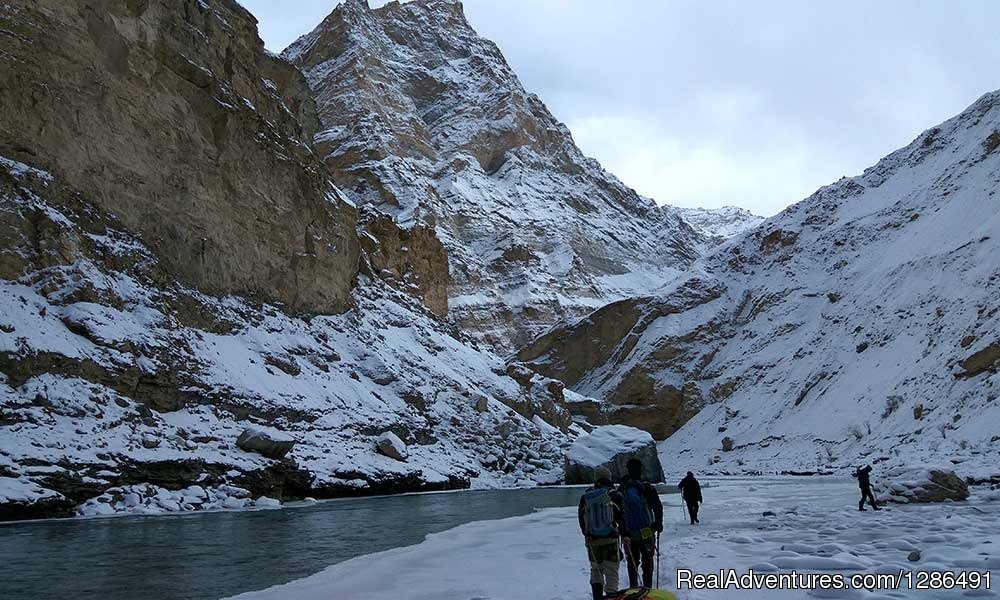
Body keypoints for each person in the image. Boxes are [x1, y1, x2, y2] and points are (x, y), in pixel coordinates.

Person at [618, 458, 664, 589]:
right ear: (640, 470)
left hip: (629, 533)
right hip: (647, 531)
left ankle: (633, 587)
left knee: (632, 561)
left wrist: (623, 532)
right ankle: (648, 587)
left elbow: (618, 513)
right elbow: (657, 507)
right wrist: (658, 524)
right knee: (647, 560)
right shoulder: (647, 488)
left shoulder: (623, 489)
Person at [579, 466, 624, 600]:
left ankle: (597, 597)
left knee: (596, 570)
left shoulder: (586, 496)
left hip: (592, 541)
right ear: (609, 478)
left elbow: (581, 519)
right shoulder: (614, 495)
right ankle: (611, 596)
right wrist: (624, 534)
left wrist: (588, 534)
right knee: (611, 571)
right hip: (610, 539)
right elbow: (621, 517)